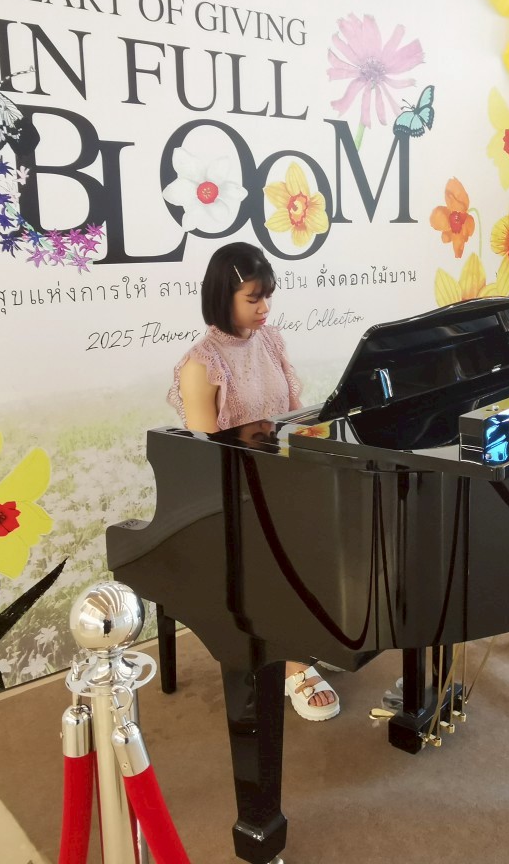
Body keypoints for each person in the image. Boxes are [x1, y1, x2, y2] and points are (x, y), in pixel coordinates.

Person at [166, 241, 341, 722]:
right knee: (285, 542)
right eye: (253, 298)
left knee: (344, 517)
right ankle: (293, 664)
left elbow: (291, 417)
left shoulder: (270, 341)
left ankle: (309, 635)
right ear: (222, 298)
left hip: (279, 481)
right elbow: (208, 460)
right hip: (233, 496)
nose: (265, 308)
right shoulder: (201, 365)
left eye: (268, 296)